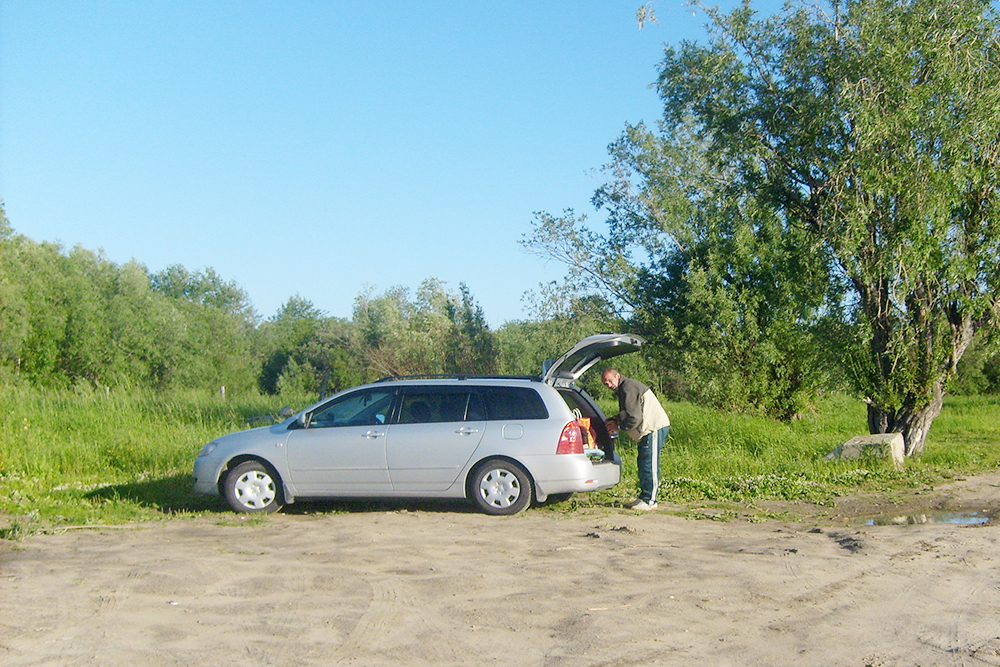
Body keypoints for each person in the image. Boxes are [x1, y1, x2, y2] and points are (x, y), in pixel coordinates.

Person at [602, 368, 670, 511]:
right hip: (647, 430)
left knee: (649, 464)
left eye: (609, 380)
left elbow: (634, 417)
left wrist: (619, 426)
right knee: (643, 462)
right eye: (604, 383)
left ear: (617, 376)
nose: (607, 384)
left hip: (653, 427)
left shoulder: (628, 387)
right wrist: (614, 419)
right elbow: (628, 412)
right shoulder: (624, 388)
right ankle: (644, 497)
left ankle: (650, 500)